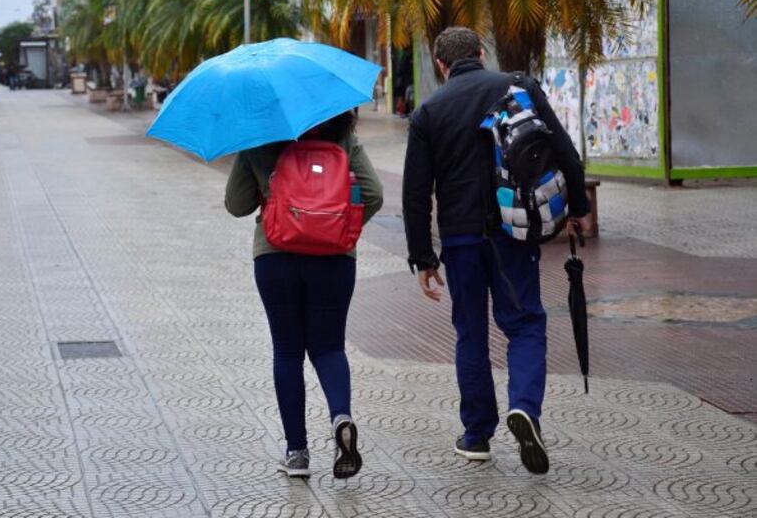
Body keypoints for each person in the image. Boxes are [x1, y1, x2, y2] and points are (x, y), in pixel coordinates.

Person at [402, 27, 592, 475]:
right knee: (525, 322)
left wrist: (422, 258)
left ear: (441, 65)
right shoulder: (517, 88)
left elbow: (415, 193)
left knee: (470, 332)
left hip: (460, 238)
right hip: (513, 231)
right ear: (481, 53)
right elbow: (564, 150)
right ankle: (524, 407)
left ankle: (476, 437)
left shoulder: (428, 112)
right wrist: (577, 208)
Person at [225, 112, 383, 480]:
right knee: (330, 347)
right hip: (334, 258)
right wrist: (337, 223)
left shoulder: (260, 132)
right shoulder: (339, 128)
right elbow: (373, 192)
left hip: (275, 255)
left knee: (287, 351)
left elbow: (236, 204)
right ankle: (340, 415)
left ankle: (297, 453)